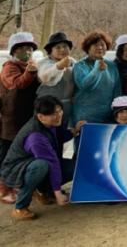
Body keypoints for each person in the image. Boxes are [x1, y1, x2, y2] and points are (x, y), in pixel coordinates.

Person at [0, 96, 82, 220]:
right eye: (53, 114)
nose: (58, 115)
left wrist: (75, 130)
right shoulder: (35, 136)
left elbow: (60, 136)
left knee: (74, 166)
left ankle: (44, 192)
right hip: (16, 170)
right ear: (40, 116)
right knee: (41, 165)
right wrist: (58, 193)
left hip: (35, 163)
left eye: (59, 111)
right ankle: (19, 207)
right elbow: (52, 162)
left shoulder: (52, 123)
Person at [0, 32, 40, 204]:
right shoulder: (9, 67)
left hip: (27, 118)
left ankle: (15, 184)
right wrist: (29, 73)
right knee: (7, 154)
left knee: (21, 153)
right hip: (11, 120)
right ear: (14, 51)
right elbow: (16, 84)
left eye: (30, 48)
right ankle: (3, 188)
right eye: (22, 48)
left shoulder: (31, 66)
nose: (27, 51)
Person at [72, 31, 121, 126]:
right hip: (85, 116)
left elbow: (117, 91)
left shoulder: (112, 65)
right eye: (95, 45)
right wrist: (97, 69)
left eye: (102, 45)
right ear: (88, 48)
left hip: (107, 117)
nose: (100, 48)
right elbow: (85, 85)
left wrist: (116, 111)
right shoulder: (80, 65)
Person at [36, 32, 75, 129]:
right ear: (50, 50)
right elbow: (46, 77)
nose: (62, 50)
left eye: (65, 46)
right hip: (47, 110)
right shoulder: (43, 63)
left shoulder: (72, 62)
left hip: (67, 108)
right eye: (58, 47)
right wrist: (59, 66)